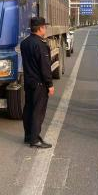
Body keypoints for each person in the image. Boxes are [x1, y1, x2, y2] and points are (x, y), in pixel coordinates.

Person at [20, 17, 55, 149]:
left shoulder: (25, 43)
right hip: (40, 83)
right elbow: (45, 67)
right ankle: (35, 139)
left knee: (28, 109)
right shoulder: (40, 45)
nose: (45, 29)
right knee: (38, 111)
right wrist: (50, 84)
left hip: (29, 81)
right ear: (40, 28)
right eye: (44, 27)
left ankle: (28, 135)